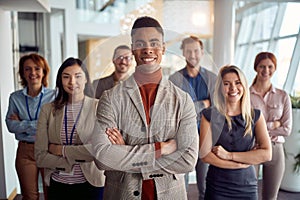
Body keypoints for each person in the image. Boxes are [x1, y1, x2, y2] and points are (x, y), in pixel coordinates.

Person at [91, 16, 199, 199]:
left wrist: (125, 152)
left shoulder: (183, 100)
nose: (148, 49)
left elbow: (187, 160)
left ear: (163, 48)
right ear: (133, 48)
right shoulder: (110, 98)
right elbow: (102, 157)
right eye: (140, 43)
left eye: (154, 43)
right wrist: (161, 148)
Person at [34, 57, 105, 200]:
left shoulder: (100, 107)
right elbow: (40, 156)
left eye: (78, 76)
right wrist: (75, 158)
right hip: (58, 185)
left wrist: (61, 150)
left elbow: (99, 151)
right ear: (60, 80)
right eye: (66, 77)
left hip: (91, 184)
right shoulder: (48, 110)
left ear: (86, 79)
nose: (72, 82)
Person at [200, 65, 272, 200]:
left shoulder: (255, 115)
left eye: (237, 83)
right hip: (217, 186)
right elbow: (205, 155)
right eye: (226, 84)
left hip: (247, 185)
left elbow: (266, 154)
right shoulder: (209, 115)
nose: (233, 88)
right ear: (220, 89)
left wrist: (229, 155)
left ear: (244, 85)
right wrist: (239, 163)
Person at [169, 36, 217, 198]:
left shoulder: (212, 79)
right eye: (188, 51)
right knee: (181, 183)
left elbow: (217, 109)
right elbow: (175, 110)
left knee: (204, 184)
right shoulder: (174, 80)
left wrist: (192, 106)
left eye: (196, 50)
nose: (192, 54)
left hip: (205, 137)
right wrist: (203, 104)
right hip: (182, 138)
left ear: (202, 52)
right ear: (183, 53)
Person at [5, 53, 56, 200]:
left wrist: (23, 123)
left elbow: (53, 126)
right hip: (25, 151)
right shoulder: (15, 98)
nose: (32, 73)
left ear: (44, 72)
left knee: (51, 194)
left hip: (48, 149)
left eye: (37, 68)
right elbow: (10, 125)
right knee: (29, 196)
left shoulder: (54, 96)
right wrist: (41, 124)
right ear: (22, 73)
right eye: (27, 69)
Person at [250, 52, 292, 200]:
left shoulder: (283, 96)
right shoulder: (246, 95)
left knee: (271, 197)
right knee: (249, 194)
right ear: (256, 67)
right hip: (253, 147)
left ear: (274, 68)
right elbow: (245, 126)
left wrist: (260, 127)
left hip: (275, 150)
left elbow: (286, 129)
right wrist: (273, 125)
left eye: (270, 66)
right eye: (262, 66)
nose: (266, 71)